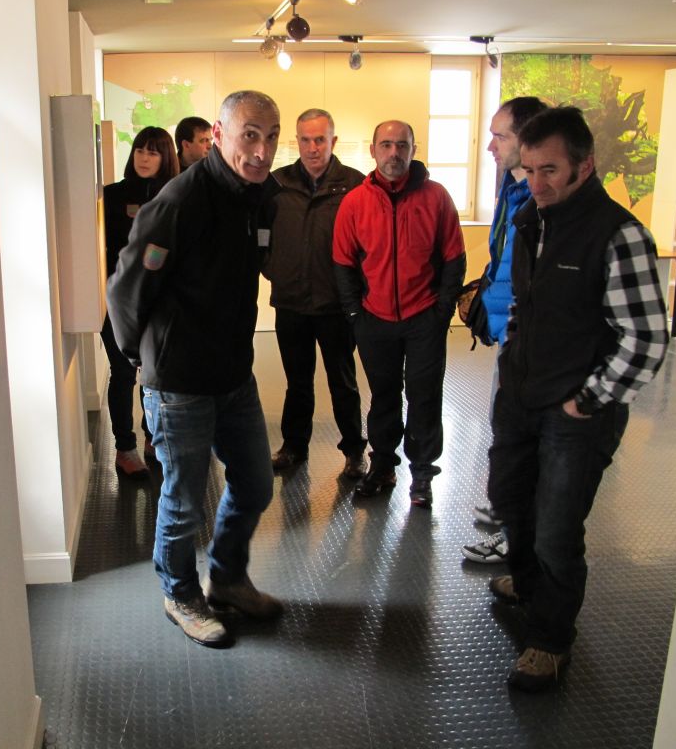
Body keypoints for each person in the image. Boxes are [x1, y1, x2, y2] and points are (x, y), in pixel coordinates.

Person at [486, 106, 667, 690]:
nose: (536, 183)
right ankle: (527, 584)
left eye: (550, 171)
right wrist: (513, 364)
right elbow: (527, 305)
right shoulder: (531, 221)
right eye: (529, 169)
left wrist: (588, 400)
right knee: (510, 501)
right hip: (522, 398)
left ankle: (549, 639)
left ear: (584, 167)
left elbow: (646, 338)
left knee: (556, 531)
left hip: (575, 412)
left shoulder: (619, 235)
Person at [107, 91, 284, 648]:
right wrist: (140, 358)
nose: (261, 150)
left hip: (233, 375)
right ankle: (180, 592)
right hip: (179, 383)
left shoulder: (256, 196)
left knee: (254, 483)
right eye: (250, 135)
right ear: (220, 133)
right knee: (184, 502)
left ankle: (226, 579)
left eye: (270, 137)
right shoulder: (180, 201)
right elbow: (127, 288)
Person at [332, 120, 466, 508]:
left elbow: (454, 257)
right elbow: (343, 263)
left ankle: (422, 473)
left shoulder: (436, 197)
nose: (394, 153)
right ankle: (383, 465)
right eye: (386, 145)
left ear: (413, 149)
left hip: (424, 318)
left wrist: (441, 312)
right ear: (373, 150)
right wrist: (355, 314)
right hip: (374, 320)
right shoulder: (355, 202)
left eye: (402, 145)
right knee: (384, 397)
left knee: (425, 396)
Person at [461, 97, 548, 564]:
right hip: (510, 333)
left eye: (500, 136)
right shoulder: (514, 189)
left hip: (530, 340)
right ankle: (507, 514)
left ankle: (517, 538)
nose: (490, 146)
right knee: (506, 433)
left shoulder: (541, 201)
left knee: (521, 441)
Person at [263, 108, 367, 478]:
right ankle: (294, 447)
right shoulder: (277, 184)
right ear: (297, 141)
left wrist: (354, 291)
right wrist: (274, 269)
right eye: (305, 140)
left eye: (319, 140)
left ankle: (354, 451)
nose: (312, 148)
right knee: (297, 382)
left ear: (333, 141)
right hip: (290, 302)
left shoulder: (355, 185)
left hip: (335, 304)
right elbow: (261, 235)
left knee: (343, 382)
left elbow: (366, 244)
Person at [101, 127, 179, 478]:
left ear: (166, 157)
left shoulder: (175, 196)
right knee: (122, 374)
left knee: (154, 376)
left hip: (160, 303)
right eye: (139, 151)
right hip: (119, 303)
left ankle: (152, 439)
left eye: (153, 152)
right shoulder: (111, 196)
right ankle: (124, 448)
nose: (144, 158)